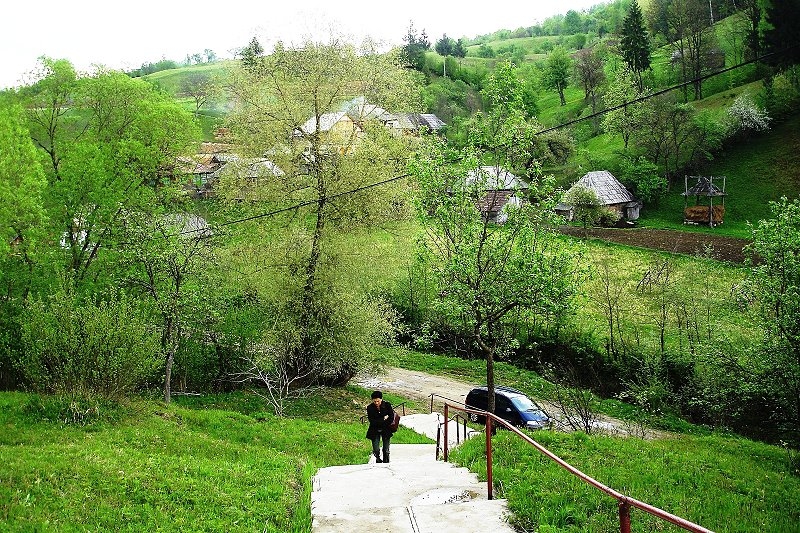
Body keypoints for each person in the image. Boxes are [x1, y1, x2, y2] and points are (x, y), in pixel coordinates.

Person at [365, 390, 393, 463]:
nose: (376, 403)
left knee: (386, 450)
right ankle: (378, 460)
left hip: (386, 429)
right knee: (376, 449)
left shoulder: (387, 405)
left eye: (378, 401)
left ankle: (386, 463)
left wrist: (380, 421)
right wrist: (383, 418)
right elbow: (372, 421)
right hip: (374, 430)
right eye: (375, 401)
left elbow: (391, 418)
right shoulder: (370, 408)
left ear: (381, 399)